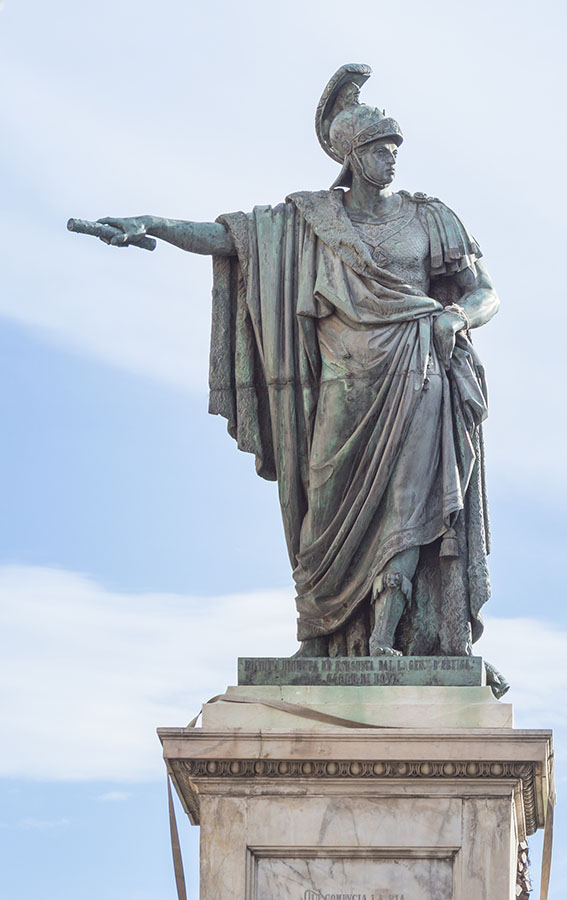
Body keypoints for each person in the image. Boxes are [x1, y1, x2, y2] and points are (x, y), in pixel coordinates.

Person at [89, 64, 502, 682]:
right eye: (380, 150)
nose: (392, 159)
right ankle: (320, 636)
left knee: (411, 506)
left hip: (418, 372)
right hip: (342, 383)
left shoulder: (429, 217)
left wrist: (457, 320)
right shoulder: (307, 223)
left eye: (395, 149)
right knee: (323, 509)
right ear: (353, 157)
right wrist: (152, 223)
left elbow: (486, 292)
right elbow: (229, 237)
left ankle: (387, 639)